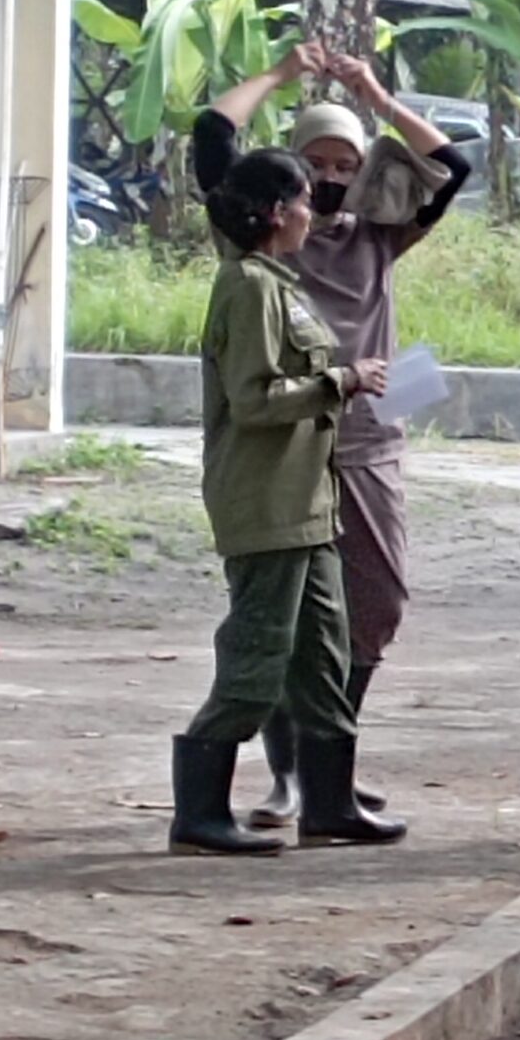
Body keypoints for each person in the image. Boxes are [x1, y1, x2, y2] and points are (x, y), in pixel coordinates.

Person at [194, 44, 471, 828]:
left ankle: (327, 760)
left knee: (372, 604)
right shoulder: (257, 243)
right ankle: (293, 776)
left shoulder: (378, 236)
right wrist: (280, 75)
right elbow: (213, 139)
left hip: (367, 440)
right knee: (289, 614)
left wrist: (372, 92)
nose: (328, 177)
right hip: (286, 445)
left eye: (344, 161)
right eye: (313, 162)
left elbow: (451, 168)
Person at [171, 149, 406, 855]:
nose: (314, 211)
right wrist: (341, 381)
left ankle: (330, 803)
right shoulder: (247, 288)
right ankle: (199, 812)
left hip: (310, 502)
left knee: (325, 658)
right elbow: (254, 400)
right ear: (276, 212)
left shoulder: (281, 284)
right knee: (258, 656)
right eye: (303, 200)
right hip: (266, 504)